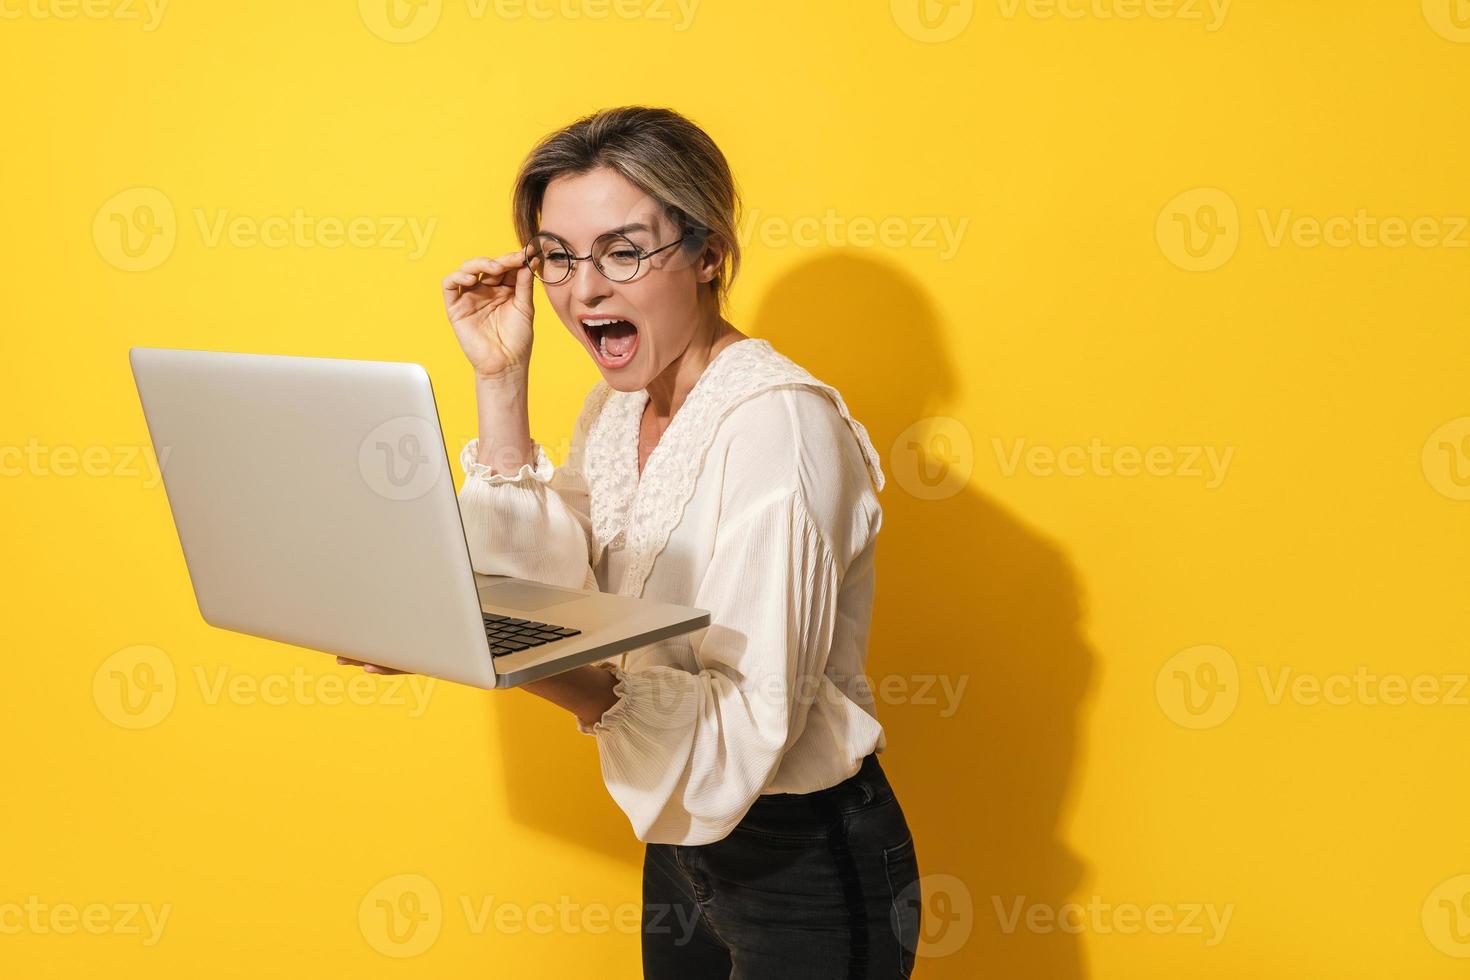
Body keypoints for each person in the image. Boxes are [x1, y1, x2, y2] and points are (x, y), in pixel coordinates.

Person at [341, 105, 922, 979]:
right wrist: (501, 380)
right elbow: (542, 592)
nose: (584, 291)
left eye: (623, 250)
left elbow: (751, 721)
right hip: (680, 843)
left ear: (708, 253)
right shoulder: (618, 409)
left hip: (801, 862)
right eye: (559, 256)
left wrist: (510, 661)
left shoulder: (779, 430)